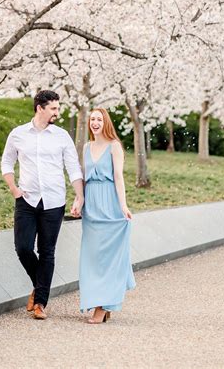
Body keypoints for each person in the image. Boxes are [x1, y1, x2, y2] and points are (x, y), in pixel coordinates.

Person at [1, 90, 84, 320]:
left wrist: (79, 196)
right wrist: (14, 189)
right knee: (23, 248)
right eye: (54, 108)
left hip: (54, 201)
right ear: (40, 108)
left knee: (47, 252)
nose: (58, 112)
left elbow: (73, 167)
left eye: (58, 108)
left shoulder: (61, 136)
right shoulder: (18, 134)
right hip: (26, 200)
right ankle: (40, 286)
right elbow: (6, 162)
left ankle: (40, 303)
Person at [79, 107, 136, 323]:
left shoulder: (115, 147)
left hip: (109, 203)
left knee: (107, 256)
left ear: (106, 122)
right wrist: (79, 200)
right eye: (92, 119)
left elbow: (119, 178)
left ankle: (102, 306)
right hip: (91, 207)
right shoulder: (86, 147)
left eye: (99, 119)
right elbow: (84, 178)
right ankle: (103, 301)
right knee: (92, 257)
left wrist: (123, 206)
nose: (95, 122)